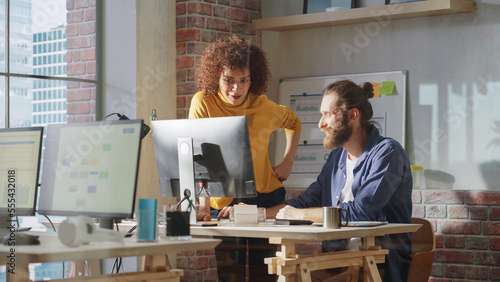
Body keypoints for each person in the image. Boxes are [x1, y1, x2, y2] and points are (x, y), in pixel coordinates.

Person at [267, 80, 413, 282]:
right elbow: (305, 201)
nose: (321, 124)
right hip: (335, 262)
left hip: (377, 266)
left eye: (328, 114)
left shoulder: (388, 153)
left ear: (352, 115)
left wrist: (298, 214)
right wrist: (254, 214)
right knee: (290, 275)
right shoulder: (336, 159)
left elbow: (360, 212)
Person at [188, 35, 302, 281]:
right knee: (230, 275)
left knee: (265, 273)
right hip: (224, 200)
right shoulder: (203, 103)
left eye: (244, 81)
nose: (236, 89)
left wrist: (287, 161)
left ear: (253, 79)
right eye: (229, 81)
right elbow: (199, 156)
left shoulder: (264, 106)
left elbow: (294, 121)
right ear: (216, 75)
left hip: (265, 198)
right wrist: (204, 205)